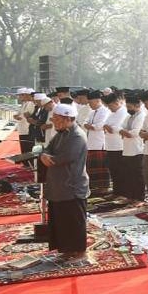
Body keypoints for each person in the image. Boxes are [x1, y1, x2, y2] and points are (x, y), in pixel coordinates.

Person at [39, 102, 90, 259]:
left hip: (72, 186)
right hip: (58, 185)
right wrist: (44, 155)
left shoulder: (77, 136)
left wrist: (48, 158)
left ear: (68, 119)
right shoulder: (60, 134)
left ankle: (79, 251)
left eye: (57, 120)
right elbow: (47, 148)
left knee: (74, 221)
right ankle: (67, 249)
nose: (54, 123)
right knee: (61, 220)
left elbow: (66, 157)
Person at [81, 90, 112, 194]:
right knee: (91, 166)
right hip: (90, 142)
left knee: (101, 167)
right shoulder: (92, 112)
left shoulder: (105, 111)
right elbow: (85, 122)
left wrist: (91, 126)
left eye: (91, 102)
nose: (89, 105)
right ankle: (94, 186)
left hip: (100, 143)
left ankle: (104, 188)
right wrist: (89, 126)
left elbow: (100, 125)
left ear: (98, 101)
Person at [118, 94, 146, 201]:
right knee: (128, 175)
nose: (128, 109)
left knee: (138, 176)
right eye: (127, 107)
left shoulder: (141, 116)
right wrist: (125, 131)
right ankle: (130, 196)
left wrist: (124, 132)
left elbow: (134, 133)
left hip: (137, 150)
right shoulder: (129, 116)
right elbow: (120, 127)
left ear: (137, 105)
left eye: (130, 107)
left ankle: (139, 198)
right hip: (127, 149)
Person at [101, 93, 127, 198]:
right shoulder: (112, 113)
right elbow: (105, 125)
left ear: (116, 103)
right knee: (114, 171)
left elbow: (115, 128)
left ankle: (122, 192)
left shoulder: (123, 112)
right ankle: (116, 191)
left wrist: (108, 127)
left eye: (110, 106)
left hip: (119, 146)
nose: (109, 108)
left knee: (120, 171)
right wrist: (107, 126)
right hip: (110, 145)